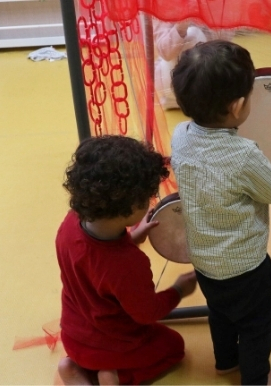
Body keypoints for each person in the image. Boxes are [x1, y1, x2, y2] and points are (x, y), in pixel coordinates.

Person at [169, 40, 271, 385]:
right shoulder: (243, 154)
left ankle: (225, 361)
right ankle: (257, 379)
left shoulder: (180, 135)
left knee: (220, 313)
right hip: (246, 267)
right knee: (256, 323)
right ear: (236, 106)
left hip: (204, 260)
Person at [56, 135, 198, 385]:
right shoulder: (128, 264)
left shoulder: (70, 223)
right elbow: (146, 313)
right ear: (132, 207)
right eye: (146, 200)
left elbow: (95, 266)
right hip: (112, 348)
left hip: (73, 337)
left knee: (85, 354)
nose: (149, 203)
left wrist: (131, 236)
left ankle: (73, 368)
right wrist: (178, 290)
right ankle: (117, 376)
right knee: (174, 346)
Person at [154, 20, 234, 110]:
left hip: (207, 79)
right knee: (193, 34)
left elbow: (223, 48)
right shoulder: (166, 8)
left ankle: (203, 97)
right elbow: (166, 53)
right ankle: (181, 98)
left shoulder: (217, 7)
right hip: (170, 79)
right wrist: (182, 25)